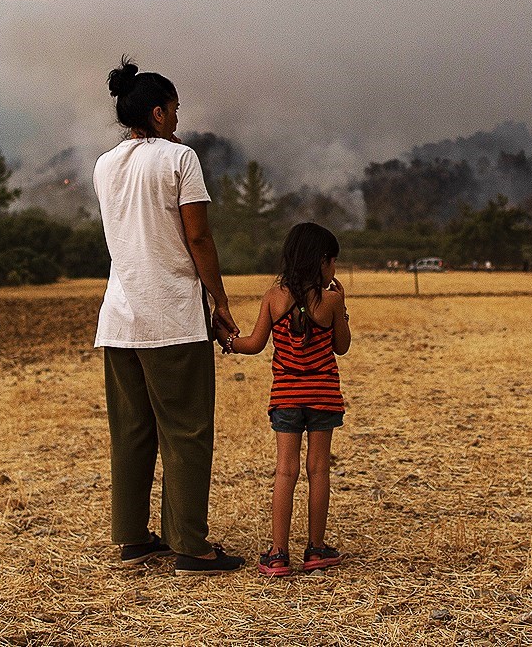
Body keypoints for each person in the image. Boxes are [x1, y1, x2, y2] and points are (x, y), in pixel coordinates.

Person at [94, 57, 243, 575]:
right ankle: (191, 546)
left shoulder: (103, 164)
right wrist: (220, 302)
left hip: (119, 318)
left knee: (132, 430)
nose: (178, 119)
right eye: (175, 110)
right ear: (158, 112)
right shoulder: (180, 160)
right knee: (186, 430)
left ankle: (133, 537)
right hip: (172, 317)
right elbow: (197, 237)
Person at [227, 222, 352, 577]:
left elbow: (253, 344)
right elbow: (341, 347)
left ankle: (278, 553)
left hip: (285, 396)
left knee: (286, 470)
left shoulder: (273, 296)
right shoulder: (330, 300)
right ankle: (315, 550)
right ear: (322, 262)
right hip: (324, 396)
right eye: (334, 262)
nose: (335, 269)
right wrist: (340, 308)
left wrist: (227, 339)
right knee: (318, 469)